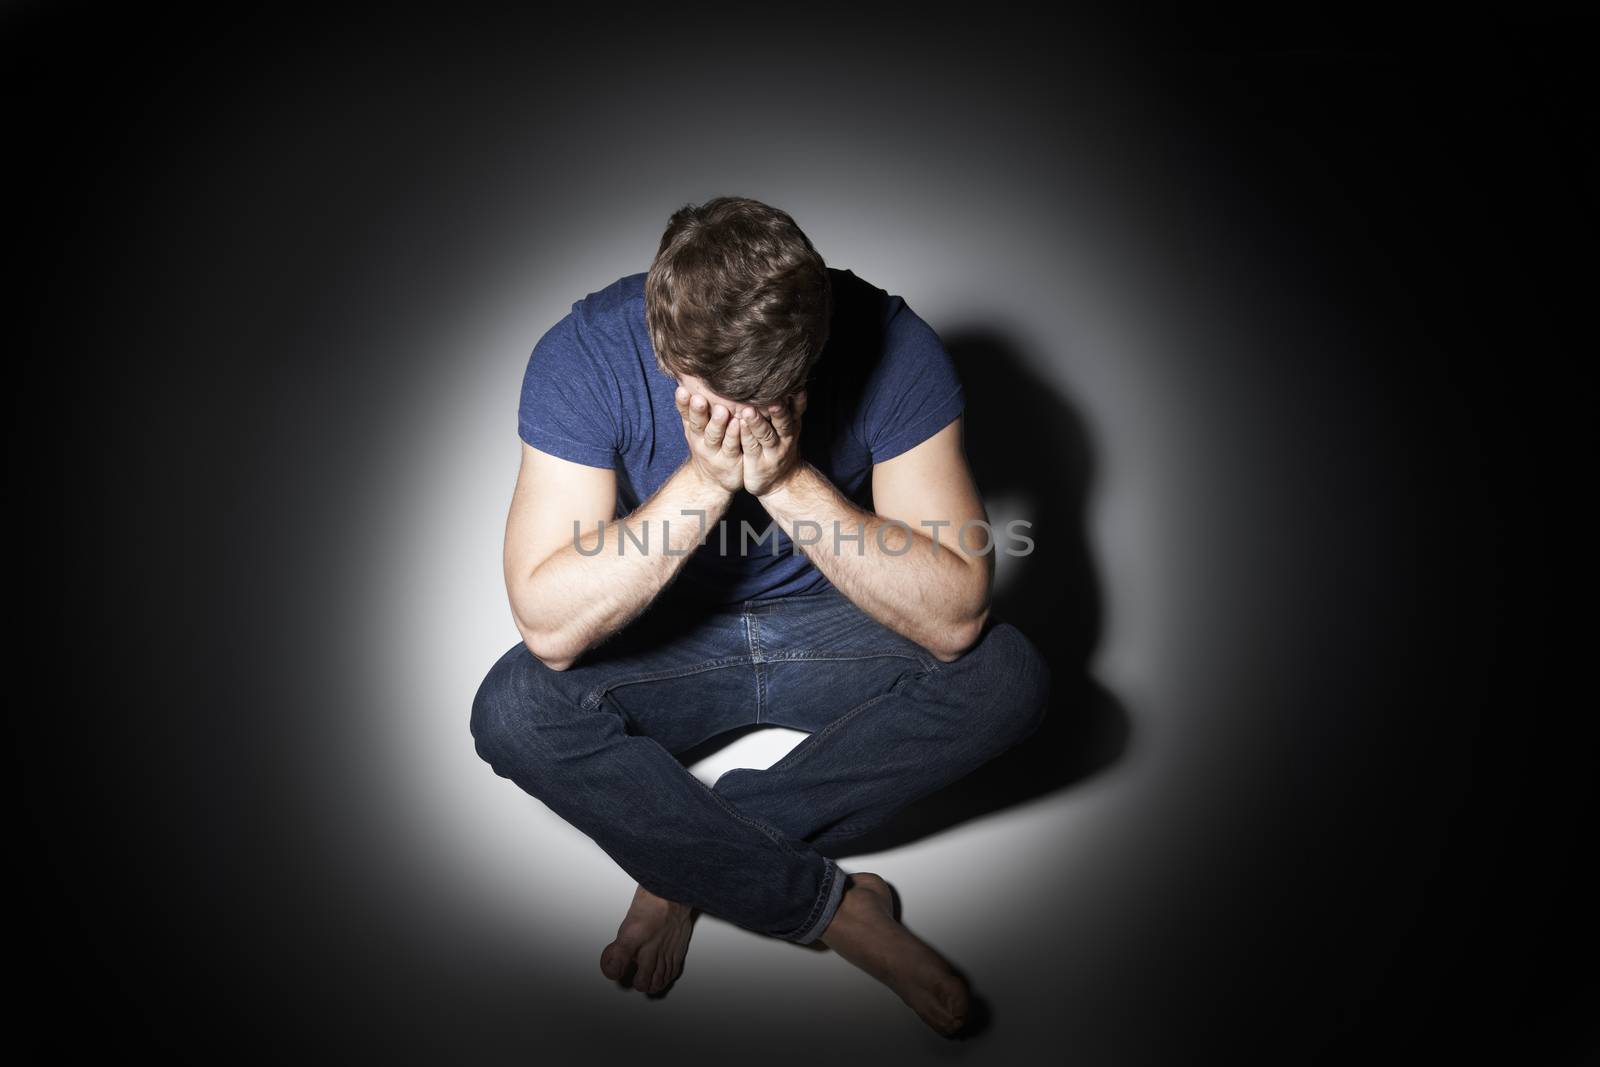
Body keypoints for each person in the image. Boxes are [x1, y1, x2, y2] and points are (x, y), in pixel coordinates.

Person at [470, 195, 1050, 1037]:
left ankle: (683, 866)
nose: (737, 424)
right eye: (709, 397)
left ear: (810, 353)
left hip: (831, 620)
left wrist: (784, 479)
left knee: (1010, 677)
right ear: (664, 342)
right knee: (511, 710)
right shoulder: (585, 353)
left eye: (766, 397)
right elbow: (549, 625)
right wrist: (706, 481)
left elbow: (957, 612)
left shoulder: (894, 345)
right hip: (669, 634)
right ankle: (835, 909)